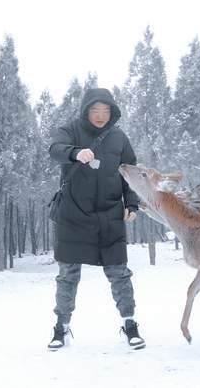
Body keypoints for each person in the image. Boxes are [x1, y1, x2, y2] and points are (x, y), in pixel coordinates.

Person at [47, 87, 144, 351]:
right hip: (73, 215)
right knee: (67, 275)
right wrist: (75, 153)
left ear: (112, 112)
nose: (101, 116)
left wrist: (132, 203)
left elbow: (130, 173)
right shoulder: (70, 130)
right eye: (95, 110)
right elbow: (55, 148)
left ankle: (130, 323)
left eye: (106, 111)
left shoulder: (119, 138)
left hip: (110, 215)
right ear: (85, 110)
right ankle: (61, 327)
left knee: (119, 273)